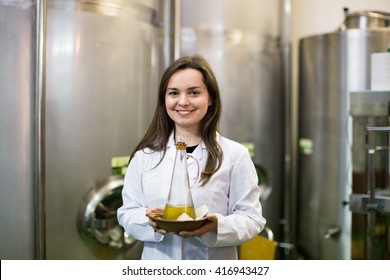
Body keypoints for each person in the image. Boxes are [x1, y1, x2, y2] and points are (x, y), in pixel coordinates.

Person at [117, 54, 266, 260]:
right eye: (173, 93)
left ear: (210, 98)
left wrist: (216, 226)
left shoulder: (235, 155)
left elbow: (252, 219)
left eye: (194, 92)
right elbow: (126, 213)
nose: (183, 102)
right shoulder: (145, 156)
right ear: (164, 99)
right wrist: (148, 221)